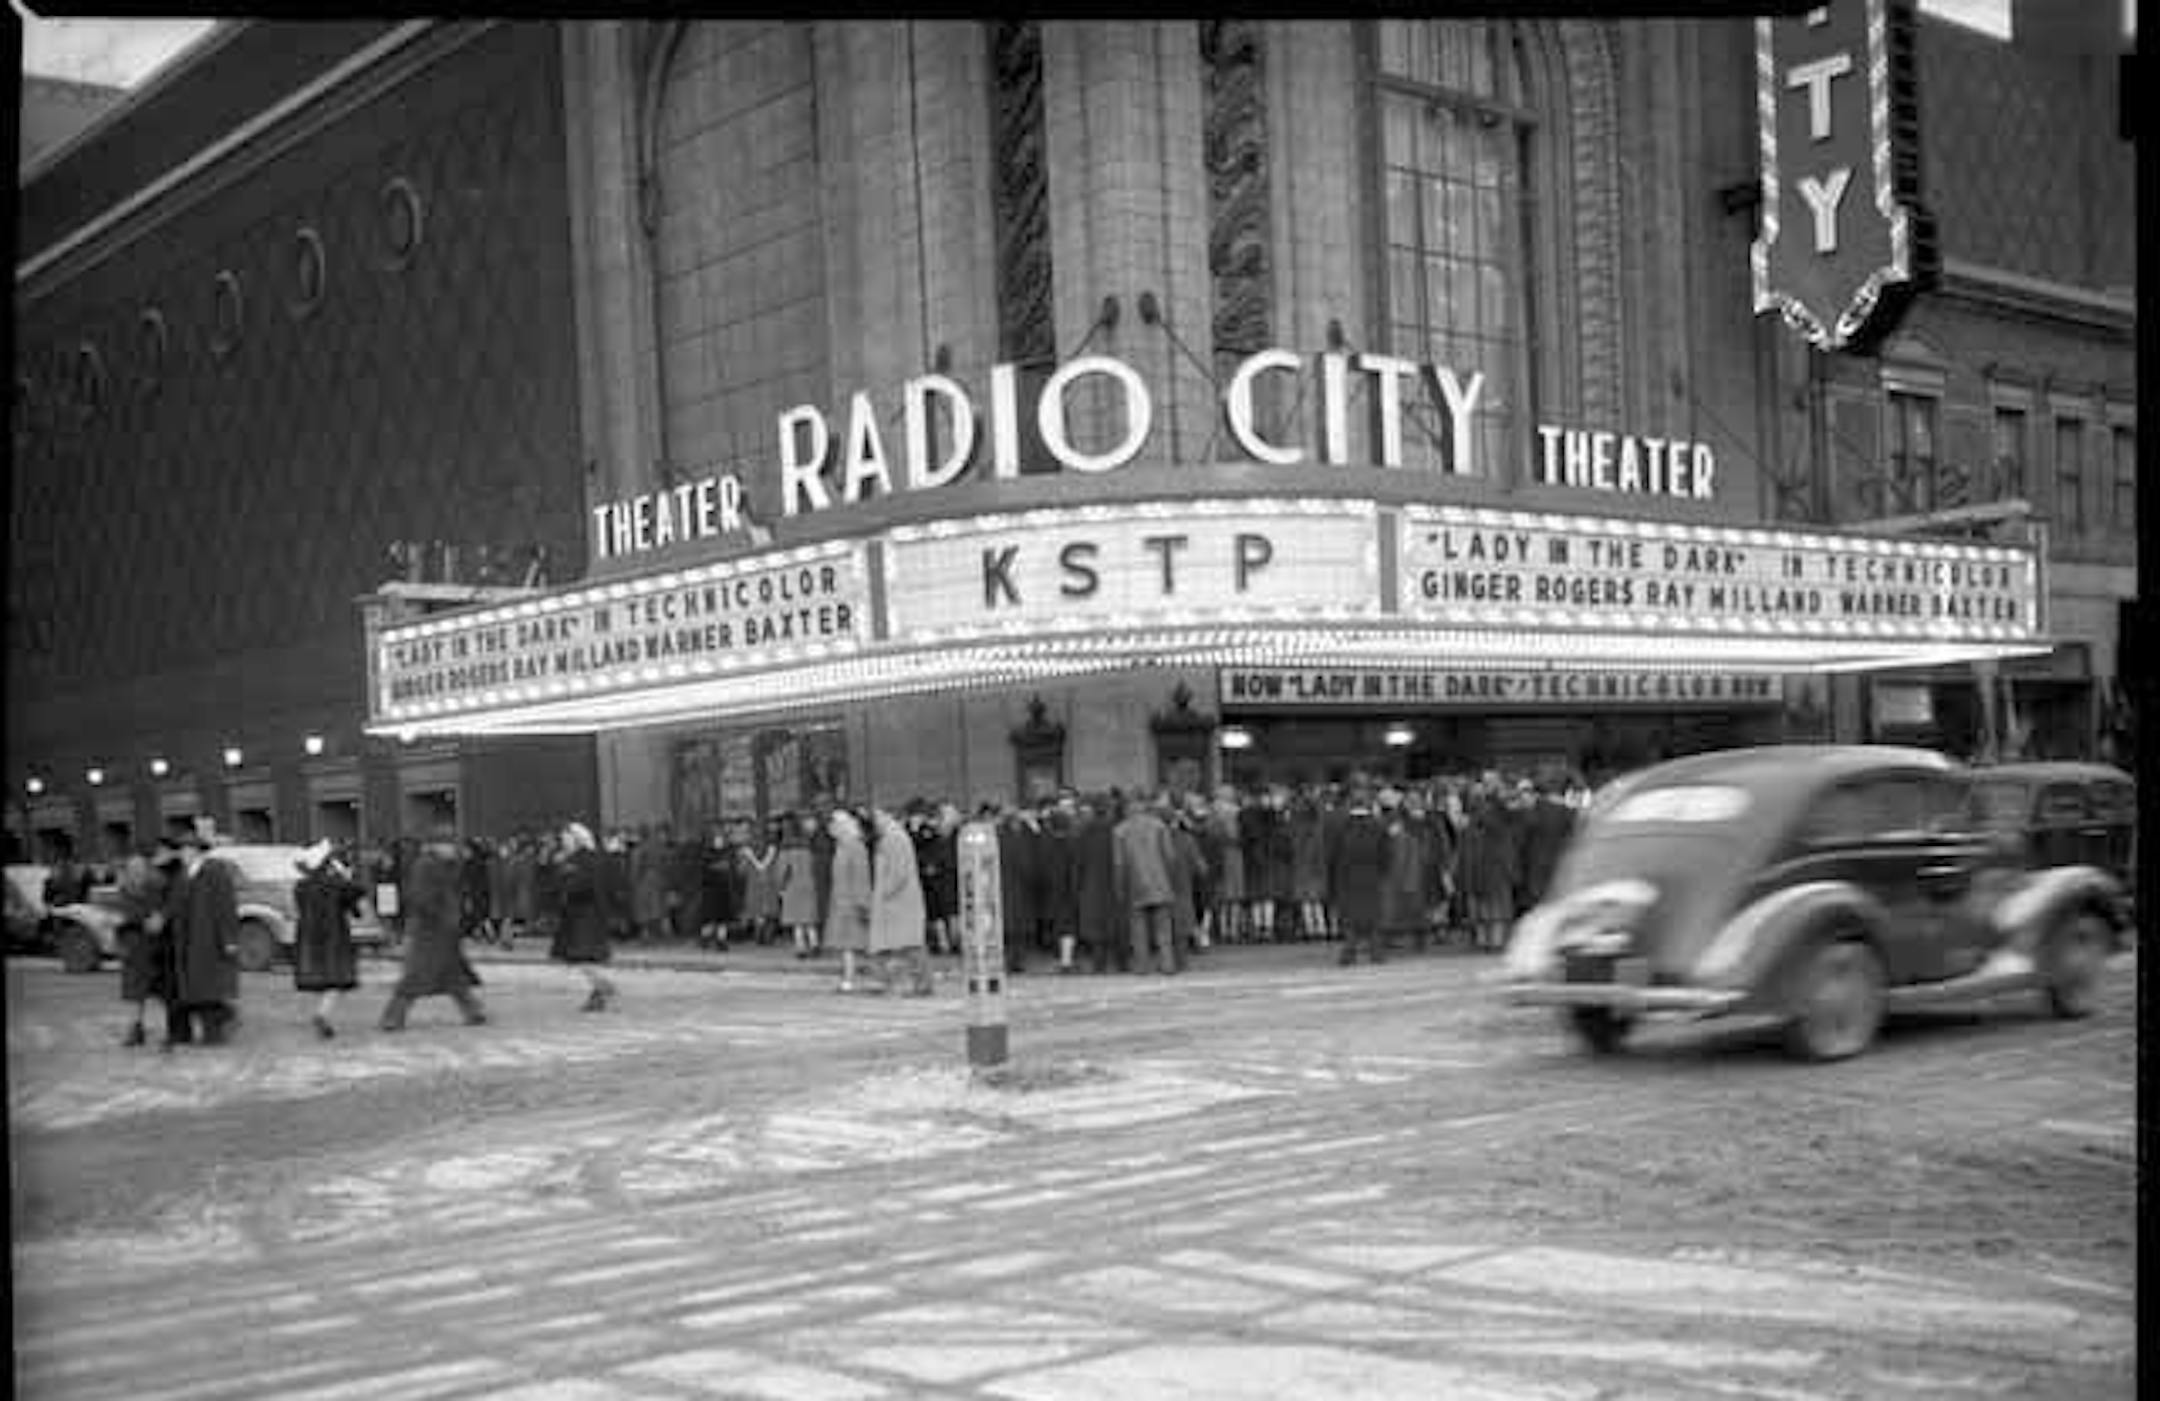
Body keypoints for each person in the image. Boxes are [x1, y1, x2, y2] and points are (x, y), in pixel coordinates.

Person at [378, 828, 488, 1031]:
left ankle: (473, 1011)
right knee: (416, 974)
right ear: (437, 845)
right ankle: (392, 1017)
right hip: (429, 929)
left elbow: (454, 890)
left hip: (445, 929)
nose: (453, 848)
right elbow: (420, 897)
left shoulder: (443, 864)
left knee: (453, 975)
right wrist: (440, 914)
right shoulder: (425, 865)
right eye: (449, 844)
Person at [172, 828, 242, 1044]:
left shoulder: (215, 872)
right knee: (197, 987)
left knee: (210, 986)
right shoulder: (184, 875)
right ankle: (218, 1025)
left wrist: (229, 939)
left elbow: (226, 906)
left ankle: (216, 1030)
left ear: (197, 851)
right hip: (190, 939)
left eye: (185, 849)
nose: (182, 854)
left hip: (210, 938)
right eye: (181, 849)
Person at [293, 839, 366, 1038]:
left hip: (309, 938)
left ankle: (321, 1012)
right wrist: (344, 874)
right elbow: (358, 891)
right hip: (333, 937)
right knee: (336, 982)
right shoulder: (335, 884)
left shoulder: (301, 886)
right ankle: (322, 1014)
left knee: (321, 980)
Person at [549, 822, 620, 1010]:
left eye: (566, 839)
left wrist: (563, 874)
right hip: (583, 913)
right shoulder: (582, 858)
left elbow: (580, 884)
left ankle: (603, 986)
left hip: (585, 914)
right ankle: (599, 994)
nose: (564, 842)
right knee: (583, 957)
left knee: (582, 957)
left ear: (577, 839)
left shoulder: (583, 859)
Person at [866, 807, 934, 995]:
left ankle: (907, 982)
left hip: (897, 902)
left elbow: (898, 872)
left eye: (878, 816)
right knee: (900, 944)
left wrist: (884, 894)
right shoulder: (895, 837)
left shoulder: (893, 839)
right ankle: (890, 981)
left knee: (906, 944)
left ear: (888, 816)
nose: (875, 821)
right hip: (898, 901)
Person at [1112, 791, 1181, 975]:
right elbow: (1170, 856)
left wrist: (1119, 887)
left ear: (1127, 807)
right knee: (1163, 927)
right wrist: (1171, 881)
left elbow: (1119, 863)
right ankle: (1167, 963)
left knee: (1138, 928)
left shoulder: (1120, 830)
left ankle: (1142, 965)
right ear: (1144, 804)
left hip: (1135, 883)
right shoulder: (1159, 825)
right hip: (1160, 881)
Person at [1328, 782, 1390, 966]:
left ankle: (1349, 952)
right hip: (1372, 876)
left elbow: (1333, 854)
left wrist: (1334, 876)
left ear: (1350, 803)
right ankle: (1376, 953)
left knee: (1350, 916)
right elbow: (1386, 854)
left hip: (1347, 877)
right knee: (1373, 914)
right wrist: (1382, 872)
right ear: (1368, 803)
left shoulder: (1340, 825)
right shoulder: (1378, 824)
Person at [113, 845, 169, 1048]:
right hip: (133, 944)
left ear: (146, 870)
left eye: (140, 869)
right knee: (134, 992)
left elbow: (163, 908)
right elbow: (125, 915)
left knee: (163, 990)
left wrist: (160, 917)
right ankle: (136, 1029)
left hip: (154, 945)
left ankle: (171, 1028)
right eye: (132, 870)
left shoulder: (156, 886)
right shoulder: (124, 889)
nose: (136, 873)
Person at [824, 807, 874, 992]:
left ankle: (850, 979)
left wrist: (863, 903)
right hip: (842, 902)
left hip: (851, 903)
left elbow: (861, 877)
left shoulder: (854, 847)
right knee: (848, 945)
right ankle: (849, 978)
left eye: (834, 825)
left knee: (851, 944)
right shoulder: (843, 846)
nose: (831, 828)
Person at [1071, 795, 1121, 974]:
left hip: (1090, 884)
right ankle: (1119, 962)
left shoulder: (1084, 833)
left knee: (1095, 926)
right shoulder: (1116, 831)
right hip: (1112, 882)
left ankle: (1099, 963)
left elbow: (1078, 863)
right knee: (1113, 923)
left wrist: (1076, 886)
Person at [776, 811, 821, 958]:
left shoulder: (786, 849)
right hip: (809, 884)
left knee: (797, 921)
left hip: (792, 885)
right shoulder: (808, 847)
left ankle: (800, 948)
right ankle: (814, 944)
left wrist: (780, 888)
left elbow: (782, 871)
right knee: (809, 919)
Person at [737, 819, 782, 947]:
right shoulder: (771, 846)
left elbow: (759, 866)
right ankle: (765, 936)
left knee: (760, 909)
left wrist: (750, 856)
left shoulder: (752, 848)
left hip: (759, 880)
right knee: (765, 909)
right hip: (764, 880)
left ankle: (761, 936)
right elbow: (760, 865)